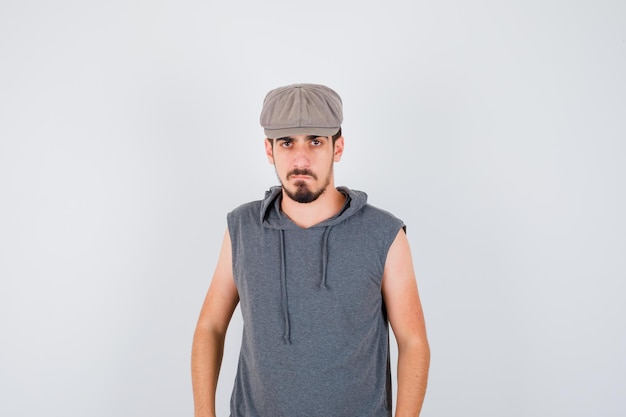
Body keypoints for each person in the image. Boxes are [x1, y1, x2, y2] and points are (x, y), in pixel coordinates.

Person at [191, 83, 430, 417]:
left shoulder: (384, 234)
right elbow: (210, 327)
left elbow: (413, 342)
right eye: (287, 143)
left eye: (315, 142)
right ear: (269, 150)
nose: (300, 159)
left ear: (338, 147)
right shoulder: (242, 228)